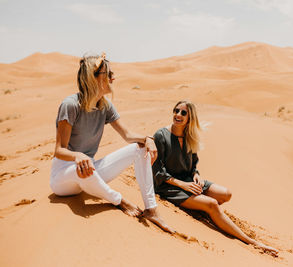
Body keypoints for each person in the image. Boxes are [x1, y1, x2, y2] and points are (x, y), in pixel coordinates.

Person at [50, 53, 173, 233]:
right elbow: (59, 150)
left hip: (89, 171)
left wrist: (147, 139)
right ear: (93, 77)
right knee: (82, 169)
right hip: (63, 177)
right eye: (108, 74)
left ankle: (151, 209)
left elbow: (128, 135)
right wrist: (77, 155)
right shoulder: (70, 105)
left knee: (138, 149)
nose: (113, 78)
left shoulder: (104, 106)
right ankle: (119, 200)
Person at [152, 100, 279, 256]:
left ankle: (199, 206)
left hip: (188, 180)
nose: (178, 115)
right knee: (212, 204)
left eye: (183, 113)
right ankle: (251, 241)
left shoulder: (189, 136)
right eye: (176, 110)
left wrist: (196, 175)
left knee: (226, 194)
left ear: (190, 118)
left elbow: (193, 164)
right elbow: (158, 170)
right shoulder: (161, 135)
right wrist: (183, 186)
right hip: (168, 185)